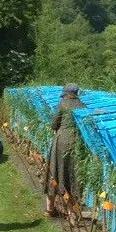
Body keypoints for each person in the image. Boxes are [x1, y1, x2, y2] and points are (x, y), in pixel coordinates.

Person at [45, 85, 86, 216]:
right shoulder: (82, 105)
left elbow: (53, 124)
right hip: (76, 144)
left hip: (61, 142)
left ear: (66, 94)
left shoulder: (62, 104)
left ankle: (50, 208)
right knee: (72, 175)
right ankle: (71, 211)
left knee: (54, 172)